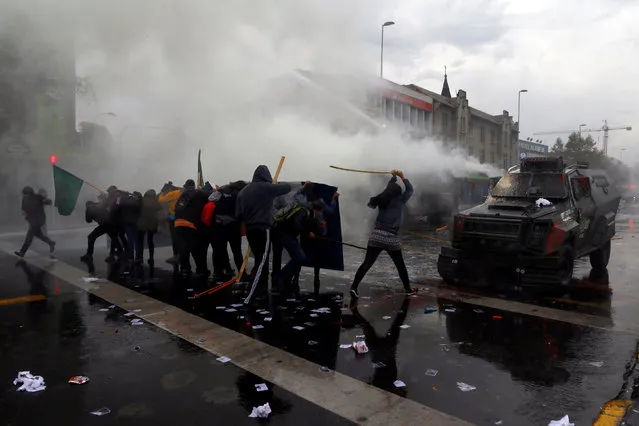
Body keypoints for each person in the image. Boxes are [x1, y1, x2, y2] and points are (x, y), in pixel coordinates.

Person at [350, 170, 415, 299]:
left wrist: (393, 179)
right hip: (391, 237)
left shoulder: (382, 200)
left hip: (376, 235)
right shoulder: (400, 200)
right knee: (400, 265)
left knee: (367, 263)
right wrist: (402, 176)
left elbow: (388, 190)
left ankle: (354, 287)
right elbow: (410, 190)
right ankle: (408, 289)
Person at [235, 165, 291, 304]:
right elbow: (287, 188)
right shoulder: (266, 188)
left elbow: (238, 215)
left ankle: (258, 290)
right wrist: (274, 184)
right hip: (263, 228)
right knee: (262, 262)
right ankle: (255, 294)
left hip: (250, 230)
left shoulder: (243, 191)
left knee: (260, 260)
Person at [272, 197, 327, 297]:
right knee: (299, 256)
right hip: (285, 233)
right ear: (316, 209)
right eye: (320, 211)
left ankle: (278, 281)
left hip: (276, 230)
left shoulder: (302, 207)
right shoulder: (305, 211)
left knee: (277, 257)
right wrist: (307, 233)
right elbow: (297, 224)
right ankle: (281, 277)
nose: (320, 214)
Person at [208, 180, 247, 282]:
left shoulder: (220, 191)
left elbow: (210, 199)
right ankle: (242, 273)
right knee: (237, 252)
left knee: (218, 250)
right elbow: (242, 210)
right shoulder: (239, 193)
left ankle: (217, 272)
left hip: (219, 225)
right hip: (233, 227)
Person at [174, 179, 210, 278]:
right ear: (193, 186)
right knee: (196, 249)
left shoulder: (182, 195)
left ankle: (185, 269)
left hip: (178, 224)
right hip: (190, 225)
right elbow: (211, 197)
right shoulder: (199, 193)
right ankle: (201, 270)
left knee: (183, 248)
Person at [81, 191, 124, 263]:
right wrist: (103, 197)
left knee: (91, 237)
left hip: (105, 225)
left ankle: (89, 255)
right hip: (112, 223)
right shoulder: (99, 205)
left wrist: (87, 213)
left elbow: (88, 221)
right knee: (114, 238)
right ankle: (120, 253)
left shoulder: (89, 209)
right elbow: (106, 204)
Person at [15, 186, 56, 258]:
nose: (25, 195)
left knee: (29, 236)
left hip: (37, 220)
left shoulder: (35, 197)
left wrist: (45, 201)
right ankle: (51, 243)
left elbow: (23, 212)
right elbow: (24, 211)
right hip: (36, 220)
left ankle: (22, 252)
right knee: (39, 235)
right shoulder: (36, 197)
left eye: (25, 194)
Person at [136, 189, 163, 266]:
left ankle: (140, 257)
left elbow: (138, 208)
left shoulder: (142, 200)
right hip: (152, 223)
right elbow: (160, 209)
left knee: (140, 240)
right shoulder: (155, 202)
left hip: (143, 223)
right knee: (150, 241)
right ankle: (151, 258)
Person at [158, 181, 182, 265]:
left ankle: (176, 256)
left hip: (174, 217)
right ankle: (182, 255)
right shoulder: (180, 191)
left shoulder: (173, 193)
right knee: (181, 237)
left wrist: (162, 192)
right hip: (181, 216)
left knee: (175, 237)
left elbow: (161, 199)